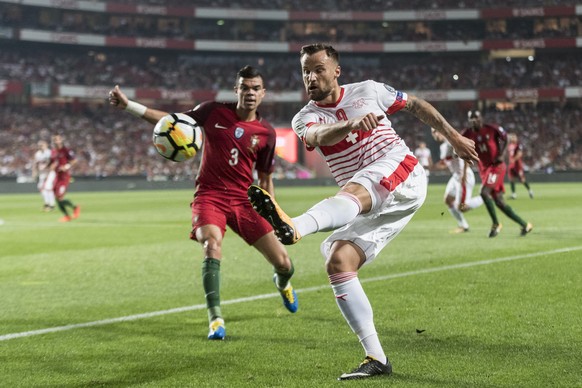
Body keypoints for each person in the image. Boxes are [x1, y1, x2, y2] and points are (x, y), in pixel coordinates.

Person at [247, 43, 478, 380]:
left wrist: (454, 136)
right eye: (305, 71)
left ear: (336, 70)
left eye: (318, 69)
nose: (311, 77)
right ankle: (376, 357)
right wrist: (351, 125)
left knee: (355, 189)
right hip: (370, 199)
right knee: (339, 261)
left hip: (401, 170)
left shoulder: (369, 90)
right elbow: (318, 135)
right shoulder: (304, 117)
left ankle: (295, 226)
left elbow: (416, 105)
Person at [107, 66, 298, 341]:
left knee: (284, 263)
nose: (250, 93)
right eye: (245, 87)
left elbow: (266, 179)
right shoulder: (212, 111)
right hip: (210, 195)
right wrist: (129, 106)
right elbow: (170, 122)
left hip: (244, 201)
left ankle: (282, 283)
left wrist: (276, 215)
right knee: (211, 244)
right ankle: (216, 319)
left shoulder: (266, 133)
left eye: (256, 88)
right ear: (237, 91)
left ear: (263, 93)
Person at [461, 111, 533, 238]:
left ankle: (495, 224)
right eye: (470, 118)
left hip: (496, 167)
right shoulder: (467, 133)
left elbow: (506, 138)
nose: (473, 121)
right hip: (484, 170)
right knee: (499, 201)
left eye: (476, 118)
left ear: (481, 118)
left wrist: (502, 154)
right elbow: (462, 148)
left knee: (484, 192)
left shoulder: (491, 129)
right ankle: (525, 225)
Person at [431, 128, 483, 233]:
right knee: (448, 200)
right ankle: (463, 225)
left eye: (437, 130)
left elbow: (465, 155)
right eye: (433, 132)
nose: (435, 134)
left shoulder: (451, 143)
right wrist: (431, 167)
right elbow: (447, 163)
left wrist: (464, 172)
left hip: (463, 177)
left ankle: (485, 198)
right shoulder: (443, 146)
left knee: (462, 207)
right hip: (455, 177)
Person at [49, 134, 81, 223]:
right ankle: (67, 216)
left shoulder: (66, 150)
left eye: (58, 139)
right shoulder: (53, 152)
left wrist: (66, 166)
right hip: (57, 177)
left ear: (61, 140)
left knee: (59, 197)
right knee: (56, 197)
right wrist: (50, 167)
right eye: (54, 140)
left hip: (64, 177)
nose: (56, 141)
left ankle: (75, 207)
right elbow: (51, 163)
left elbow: (74, 160)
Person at [507, 133, 534, 199]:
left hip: (517, 165)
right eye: (512, 137)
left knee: (522, 180)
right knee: (511, 179)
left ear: (516, 138)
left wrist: (513, 159)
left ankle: (530, 191)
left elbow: (519, 154)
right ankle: (513, 194)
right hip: (511, 165)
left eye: (514, 137)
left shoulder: (518, 145)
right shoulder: (509, 145)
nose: (513, 138)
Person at [32, 140, 56, 212]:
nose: (41, 146)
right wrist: (34, 172)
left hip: (50, 172)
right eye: (39, 145)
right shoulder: (38, 154)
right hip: (42, 173)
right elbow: (36, 163)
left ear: (46, 145)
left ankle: (51, 204)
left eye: (42, 145)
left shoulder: (49, 152)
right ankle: (47, 203)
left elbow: (53, 162)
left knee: (48, 187)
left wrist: (49, 171)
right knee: (40, 187)